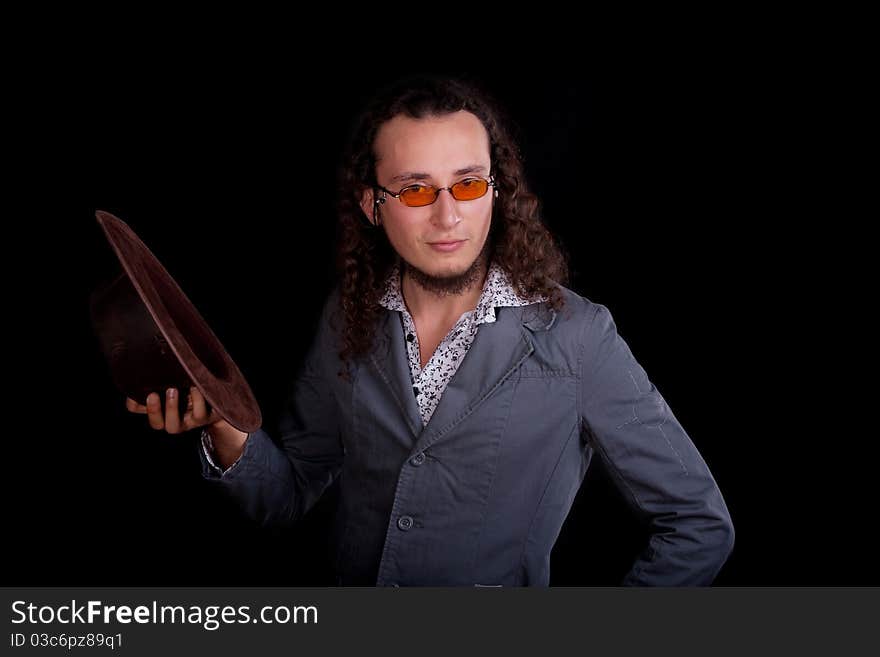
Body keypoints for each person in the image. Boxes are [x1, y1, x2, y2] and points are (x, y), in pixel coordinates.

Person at [126, 75, 734, 586]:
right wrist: (226, 431)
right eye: (415, 190)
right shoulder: (347, 312)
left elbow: (697, 522)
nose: (449, 216)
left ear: (495, 191)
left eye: (468, 185)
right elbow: (290, 495)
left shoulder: (579, 336)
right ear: (373, 204)